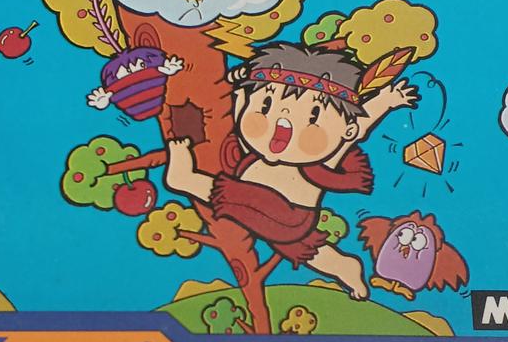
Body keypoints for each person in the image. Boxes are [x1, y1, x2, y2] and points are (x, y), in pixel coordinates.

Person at [164, 42, 418, 298]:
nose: (282, 117)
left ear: (347, 130)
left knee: (227, 192)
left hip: (287, 214)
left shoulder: (328, 158)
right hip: (266, 212)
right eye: (266, 106)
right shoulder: (254, 147)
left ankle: (185, 180)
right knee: (308, 251)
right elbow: (242, 111)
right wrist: (240, 89)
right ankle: (346, 268)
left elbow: (360, 126)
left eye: (313, 116)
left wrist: (386, 101)